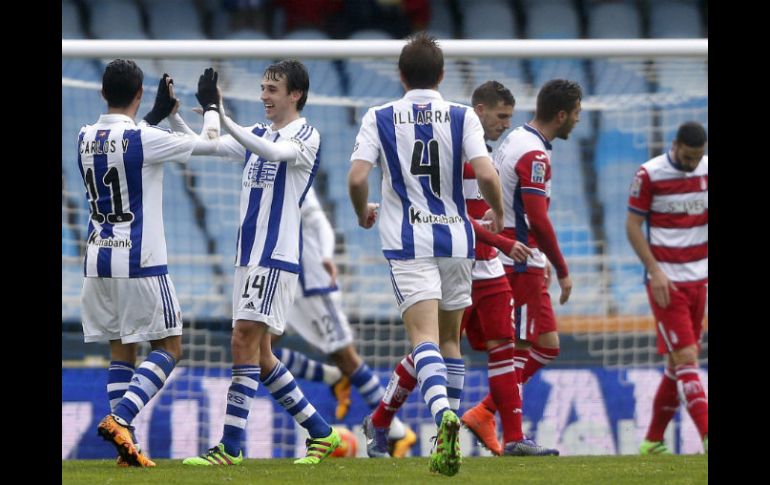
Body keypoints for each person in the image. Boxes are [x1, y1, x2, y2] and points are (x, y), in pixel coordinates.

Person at [361, 81, 558, 458]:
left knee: (505, 344)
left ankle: (514, 436)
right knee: (429, 350)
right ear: (478, 111)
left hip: (488, 267)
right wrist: (503, 240)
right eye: (500, 116)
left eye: (509, 118)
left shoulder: (484, 155)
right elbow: (455, 217)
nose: (505, 125)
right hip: (457, 259)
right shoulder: (455, 151)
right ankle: (382, 419)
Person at [348, 33, 505, 476]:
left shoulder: (379, 116)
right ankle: (428, 435)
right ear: (441, 75)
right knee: (448, 341)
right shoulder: (461, 116)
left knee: (424, 341)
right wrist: (497, 210)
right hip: (457, 240)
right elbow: (486, 172)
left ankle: (442, 419)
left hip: (408, 239)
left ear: (400, 75)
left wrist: (363, 212)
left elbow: (357, 177)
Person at [178, 61, 341, 465]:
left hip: (275, 254)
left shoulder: (305, 133)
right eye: (263, 88)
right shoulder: (258, 132)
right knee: (261, 353)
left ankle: (230, 447)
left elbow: (274, 151)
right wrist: (174, 114)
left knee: (243, 339)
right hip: (248, 255)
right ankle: (321, 433)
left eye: (272, 89)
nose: (264, 96)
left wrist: (221, 114)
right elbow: (206, 145)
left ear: (295, 94)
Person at [81, 59, 219, 467]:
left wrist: (156, 116)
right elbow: (208, 143)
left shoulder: (84, 136)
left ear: (103, 93)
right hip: (140, 260)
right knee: (169, 348)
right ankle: (120, 418)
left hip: (97, 261)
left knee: (121, 352)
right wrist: (210, 106)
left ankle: (129, 448)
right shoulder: (144, 139)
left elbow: (125, 145)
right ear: (138, 95)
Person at [461, 79, 581, 452]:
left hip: (512, 255)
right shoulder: (535, 156)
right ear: (562, 115)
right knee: (522, 345)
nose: (578, 120)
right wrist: (560, 267)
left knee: (543, 344)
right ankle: (499, 424)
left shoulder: (516, 138)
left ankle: (486, 414)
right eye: (576, 113)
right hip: (517, 259)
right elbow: (538, 218)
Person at [270, 185, 417, 457]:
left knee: (346, 357)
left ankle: (397, 431)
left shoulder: (294, 170)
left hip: (312, 283)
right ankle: (332, 377)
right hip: (280, 281)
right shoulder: (261, 170)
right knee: (254, 350)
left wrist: (326, 256)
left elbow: (319, 223)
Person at [627, 121, 708, 455]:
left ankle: (653, 441)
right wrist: (654, 270)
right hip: (667, 284)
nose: (692, 164)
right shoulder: (649, 174)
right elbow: (632, 226)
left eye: (697, 158)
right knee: (688, 358)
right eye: (688, 157)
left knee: (677, 366)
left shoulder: (705, 170)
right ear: (674, 145)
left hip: (699, 280)